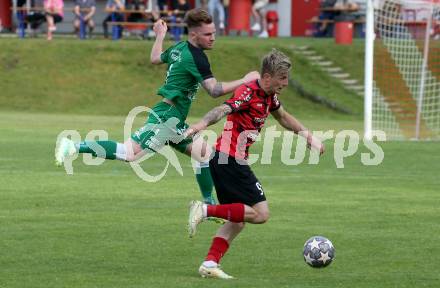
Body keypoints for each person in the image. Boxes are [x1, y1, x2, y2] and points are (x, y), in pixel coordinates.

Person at [55, 9, 260, 209]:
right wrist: (245, 80)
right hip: (166, 118)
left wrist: (160, 35)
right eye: (208, 34)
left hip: (174, 120)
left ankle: (208, 204)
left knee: (205, 154)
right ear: (194, 33)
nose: (213, 38)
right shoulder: (196, 57)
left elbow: (155, 58)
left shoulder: (179, 48)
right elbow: (214, 90)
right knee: (129, 153)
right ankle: (73, 146)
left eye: (214, 33)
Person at [185, 49, 325, 279]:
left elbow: (284, 117)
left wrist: (308, 137)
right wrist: (199, 126)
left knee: (238, 221)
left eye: (287, 78)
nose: (286, 83)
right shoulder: (248, 92)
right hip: (229, 159)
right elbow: (223, 109)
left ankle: (210, 263)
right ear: (267, 77)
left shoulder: (269, 96)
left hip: (224, 160)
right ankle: (205, 210)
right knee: (261, 214)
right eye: (282, 78)